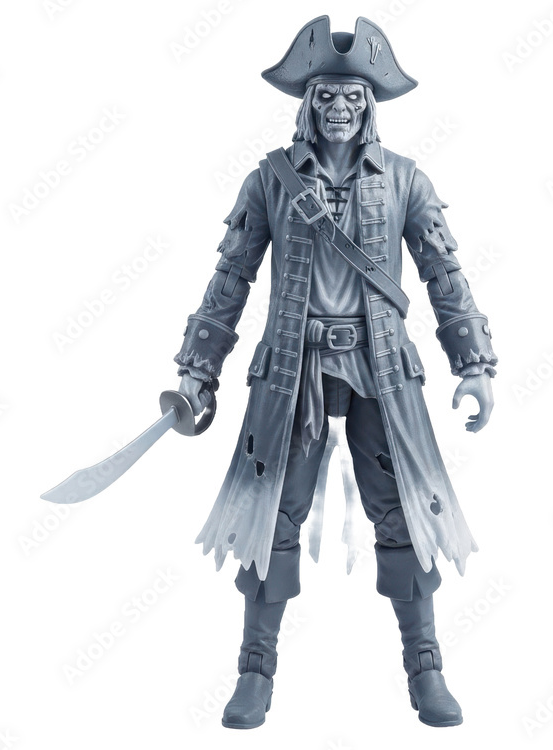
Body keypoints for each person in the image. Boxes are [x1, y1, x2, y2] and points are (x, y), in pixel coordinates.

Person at [173, 16, 496, 728]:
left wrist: (471, 362)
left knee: (404, 510)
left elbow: (444, 272)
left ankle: (425, 665)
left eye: (352, 96)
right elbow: (231, 277)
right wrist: (199, 369)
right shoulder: (271, 180)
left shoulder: (405, 179)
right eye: (326, 95)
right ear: (308, 103)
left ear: (369, 103)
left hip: (382, 368)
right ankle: (255, 668)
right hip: (294, 367)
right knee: (272, 512)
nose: (339, 108)